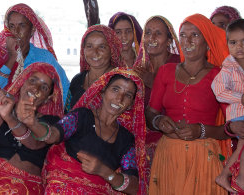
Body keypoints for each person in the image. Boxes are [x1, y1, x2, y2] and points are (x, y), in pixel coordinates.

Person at [146, 14, 230, 194]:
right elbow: (150, 113)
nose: (187, 40)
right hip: (168, 155)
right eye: (183, 35)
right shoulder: (165, 71)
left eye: (195, 35)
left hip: (203, 157)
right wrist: (158, 121)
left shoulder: (219, 75)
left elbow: (231, 128)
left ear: (207, 43)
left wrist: (201, 130)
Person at [0, 62, 64, 194]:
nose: (36, 88)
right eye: (32, 80)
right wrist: (0, 114)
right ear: (22, 82)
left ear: (47, 99)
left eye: (44, 87)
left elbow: (34, 144)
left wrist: (10, 119)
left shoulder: (51, 123)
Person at [43, 68, 145, 194]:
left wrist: (104, 171)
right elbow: (53, 134)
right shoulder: (81, 117)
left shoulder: (126, 139)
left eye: (128, 95)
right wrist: (32, 123)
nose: (119, 98)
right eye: (115, 89)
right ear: (103, 92)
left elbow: (134, 187)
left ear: (131, 105)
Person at [0, 3, 69, 103]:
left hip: (34, 115)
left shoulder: (44, 58)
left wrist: (51, 116)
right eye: (12, 26)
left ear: (32, 30)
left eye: (22, 26)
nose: (16, 31)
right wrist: (11, 58)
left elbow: (63, 88)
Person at [132, 15, 181, 188]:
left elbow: (182, 103)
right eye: (148, 33)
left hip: (172, 137)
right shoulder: (139, 67)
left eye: (158, 33)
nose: (151, 38)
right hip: (143, 139)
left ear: (169, 40)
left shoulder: (179, 65)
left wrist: (153, 83)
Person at [212, 19, 244, 195]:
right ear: (227, 44)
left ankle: (224, 175)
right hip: (239, 113)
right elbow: (218, 90)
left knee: (243, 146)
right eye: (233, 42)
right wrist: (241, 98)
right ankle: (242, 178)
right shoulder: (228, 67)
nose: (239, 47)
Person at [65, 24, 123, 112]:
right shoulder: (78, 79)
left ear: (112, 50)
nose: (95, 53)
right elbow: (67, 113)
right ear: (83, 49)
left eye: (102, 47)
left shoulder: (121, 81)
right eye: (89, 46)